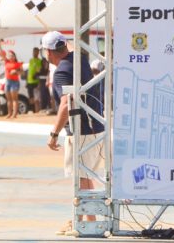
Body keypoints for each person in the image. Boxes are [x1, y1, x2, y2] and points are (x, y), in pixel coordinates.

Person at [41, 31, 104, 229]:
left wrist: (54, 133)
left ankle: (89, 223)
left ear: (48, 52)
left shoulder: (61, 71)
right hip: (95, 125)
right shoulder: (79, 59)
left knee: (82, 178)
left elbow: (66, 104)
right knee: (84, 177)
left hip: (81, 129)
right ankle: (83, 218)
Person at [0, 50, 23, 119]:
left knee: (14, 99)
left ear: (14, 56)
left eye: (12, 55)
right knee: (8, 99)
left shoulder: (18, 64)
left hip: (14, 81)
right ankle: (9, 113)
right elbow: (2, 54)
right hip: (8, 81)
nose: (11, 57)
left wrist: (15, 71)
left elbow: (22, 72)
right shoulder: (7, 62)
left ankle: (14, 114)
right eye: (9, 55)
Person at [26, 47, 42, 113]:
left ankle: (37, 111)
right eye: (34, 51)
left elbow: (39, 71)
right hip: (29, 81)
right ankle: (33, 110)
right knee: (31, 98)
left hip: (36, 81)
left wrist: (39, 82)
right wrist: (26, 81)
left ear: (38, 53)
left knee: (36, 98)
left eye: (36, 52)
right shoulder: (30, 60)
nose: (34, 53)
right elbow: (29, 71)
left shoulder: (39, 61)